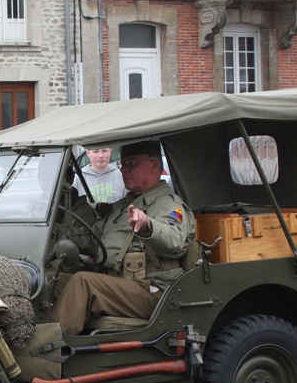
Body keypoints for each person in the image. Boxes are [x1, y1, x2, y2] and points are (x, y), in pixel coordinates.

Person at [52, 140, 194, 336]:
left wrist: (148, 227)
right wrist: (53, 234)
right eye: (122, 164)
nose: (124, 170)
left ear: (154, 165)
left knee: (83, 282)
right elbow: (93, 238)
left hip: (152, 289)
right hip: (118, 282)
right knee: (50, 279)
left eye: (132, 164)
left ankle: (50, 351)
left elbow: (175, 240)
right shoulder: (123, 206)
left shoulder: (169, 205)